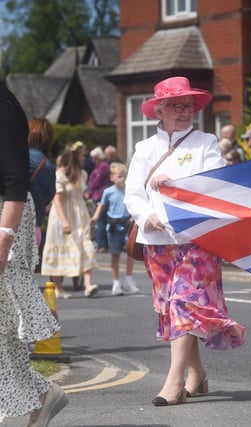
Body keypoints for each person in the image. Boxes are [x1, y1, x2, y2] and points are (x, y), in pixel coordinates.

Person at [124, 76, 246, 406]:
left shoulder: (206, 143)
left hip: (197, 239)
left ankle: (174, 382)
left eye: (189, 105)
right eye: (177, 106)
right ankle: (197, 375)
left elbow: (215, 186)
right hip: (157, 241)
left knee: (183, 303)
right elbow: (133, 193)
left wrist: (175, 182)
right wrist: (146, 214)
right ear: (160, 111)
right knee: (171, 309)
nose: (185, 112)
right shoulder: (144, 149)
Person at [0, 82, 68, 427]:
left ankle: (41, 397)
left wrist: (4, 237)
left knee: (2, 327)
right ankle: (42, 395)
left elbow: (15, 181)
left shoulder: (4, 106)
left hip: (5, 218)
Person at [40, 141, 100, 299]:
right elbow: (57, 199)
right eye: (81, 155)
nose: (84, 158)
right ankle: (58, 288)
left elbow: (81, 195)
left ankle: (88, 285)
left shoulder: (82, 174)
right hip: (63, 215)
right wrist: (64, 221)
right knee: (62, 248)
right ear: (73, 157)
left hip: (80, 215)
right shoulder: (59, 175)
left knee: (86, 245)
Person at [90, 162, 140, 296]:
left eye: (124, 176)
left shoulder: (129, 190)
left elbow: (134, 204)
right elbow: (101, 205)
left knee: (131, 253)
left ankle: (129, 280)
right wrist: (95, 217)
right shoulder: (108, 192)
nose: (122, 179)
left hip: (127, 225)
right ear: (112, 177)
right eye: (119, 176)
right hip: (113, 226)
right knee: (115, 256)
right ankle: (116, 282)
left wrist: (135, 217)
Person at [27, 118, 57, 247]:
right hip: (34, 225)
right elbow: (49, 196)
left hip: (8, 223)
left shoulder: (16, 157)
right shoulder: (48, 165)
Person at [87, 147, 111, 252]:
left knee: (100, 221)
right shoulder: (99, 166)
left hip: (100, 195)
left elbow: (96, 181)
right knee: (100, 221)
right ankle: (101, 244)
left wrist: (90, 189)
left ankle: (101, 245)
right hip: (97, 195)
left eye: (94, 158)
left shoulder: (103, 166)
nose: (93, 160)